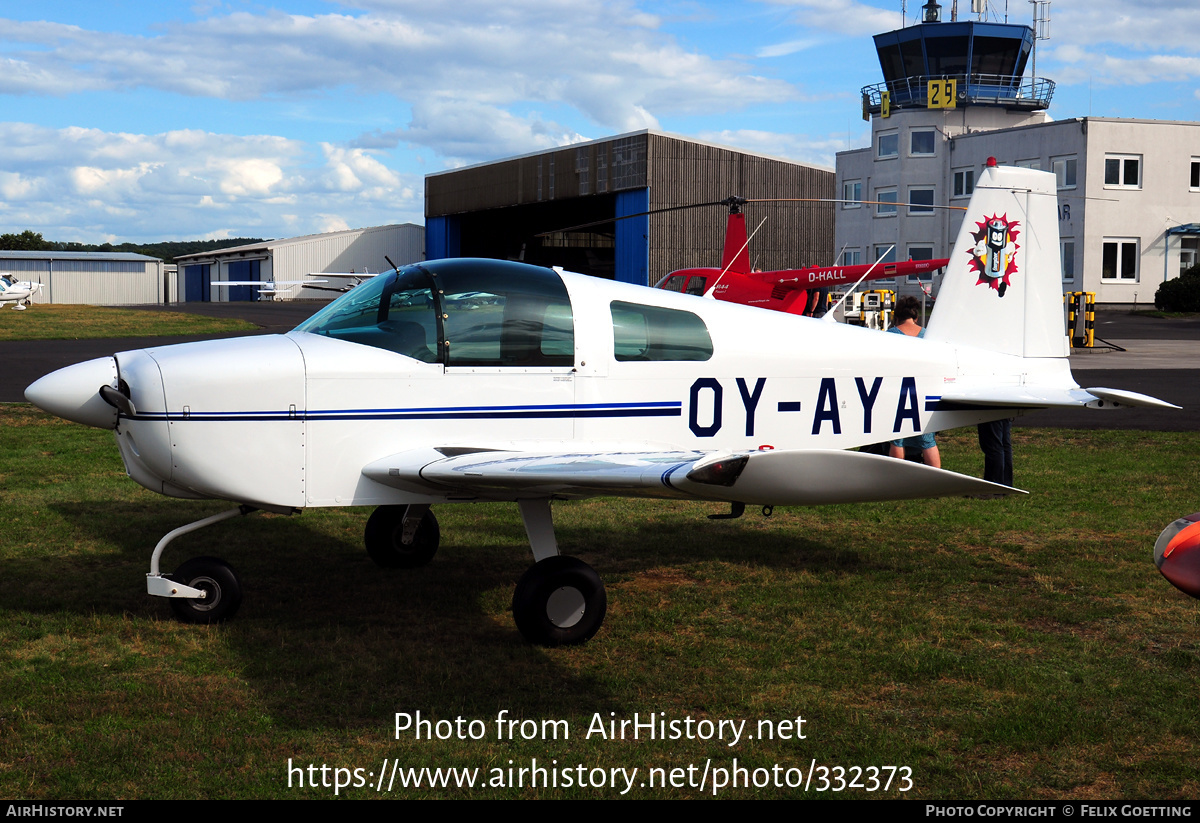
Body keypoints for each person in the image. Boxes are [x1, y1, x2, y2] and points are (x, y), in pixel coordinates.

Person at [887, 296, 941, 468]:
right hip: (923, 390)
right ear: (916, 316)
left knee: (897, 438)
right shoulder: (928, 336)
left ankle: (897, 477)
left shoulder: (890, 336)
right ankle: (936, 477)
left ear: (897, 316)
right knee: (927, 439)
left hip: (899, 392)